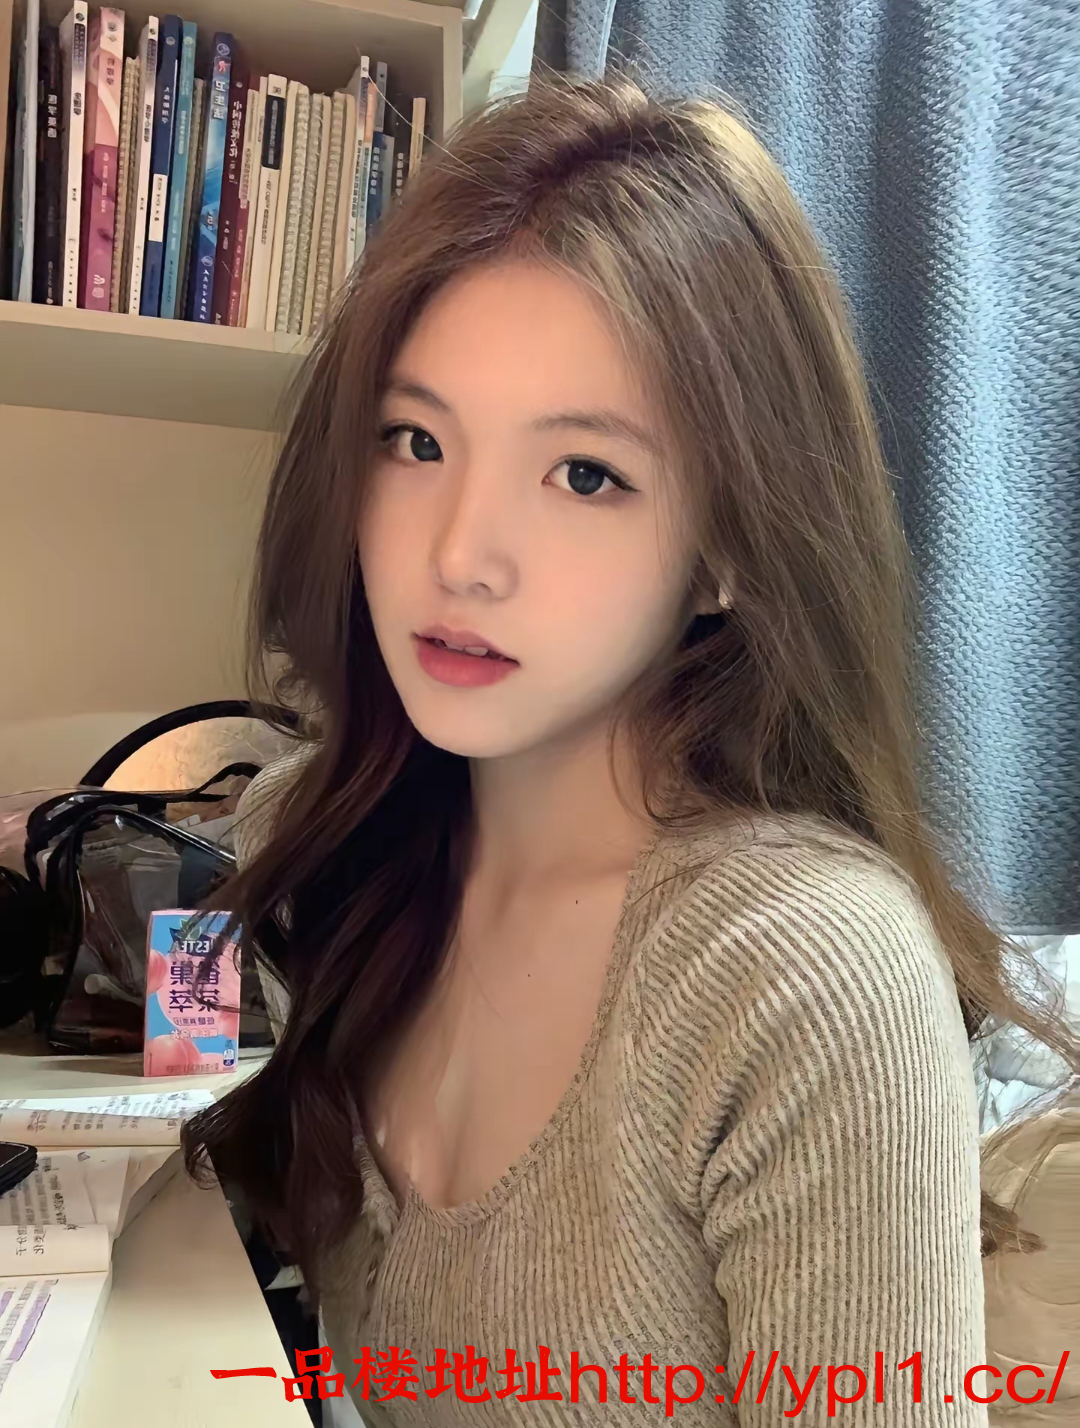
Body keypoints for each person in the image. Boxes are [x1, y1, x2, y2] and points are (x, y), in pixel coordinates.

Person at [184, 76, 1077, 1426]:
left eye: (585, 474)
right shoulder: (333, 847)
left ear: (728, 546)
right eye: (415, 441)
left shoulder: (798, 974)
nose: (460, 555)